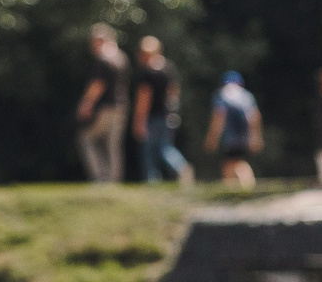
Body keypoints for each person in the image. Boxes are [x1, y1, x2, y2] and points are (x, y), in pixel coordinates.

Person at [132, 36, 194, 185]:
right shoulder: (168, 67)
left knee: (150, 154)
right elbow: (174, 92)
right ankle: (181, 167)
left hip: (152, 117)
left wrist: (139, 121)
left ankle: (156, 181)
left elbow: (144, 99)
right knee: (165, 147)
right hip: (168, 115)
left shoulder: (148, 72)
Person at [75, 24, 127, 183]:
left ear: (101, 40)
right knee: (113, 145)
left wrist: (86, 104)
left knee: (86, 139)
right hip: (121, 106)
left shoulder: (103, 59)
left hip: (105, 108)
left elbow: (98, 85)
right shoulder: (121, 57)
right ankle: (113, 180)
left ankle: (100, 177)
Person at [205, 69, 263, 187]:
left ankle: (241, 189)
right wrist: (256, 137)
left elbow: (219, 118)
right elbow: (255, 116)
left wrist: (212, 139)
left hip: (230, 136)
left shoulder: (221, 95)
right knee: (235, 162)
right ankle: (241, 188)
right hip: (245, 135)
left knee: (231, 164)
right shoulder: (246, 95)